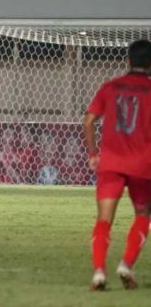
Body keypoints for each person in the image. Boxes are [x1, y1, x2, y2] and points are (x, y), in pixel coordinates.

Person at [84, 39, 151, 291]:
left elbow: (89, 120)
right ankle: (125, 265)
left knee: (104, 219)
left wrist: (93, 153)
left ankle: (99, 272)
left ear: (129, 60)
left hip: (111, 161)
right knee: (143, 214)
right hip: (143, 165)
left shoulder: (110, 87)